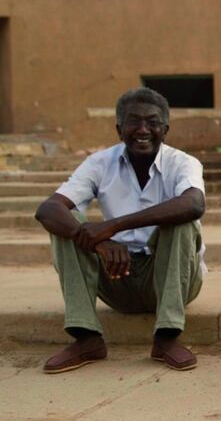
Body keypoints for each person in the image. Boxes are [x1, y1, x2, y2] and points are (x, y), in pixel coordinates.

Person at [35, 87, 206, 373]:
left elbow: (194, 204)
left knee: (181, 220)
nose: (143, 130)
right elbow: (48, 209)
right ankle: (86, 338)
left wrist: (112, 226)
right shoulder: (99, 163)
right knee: (68, 220)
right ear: (119, 129)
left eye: (152, 122)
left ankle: (166, 337)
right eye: (133, 122)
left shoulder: (183, 163)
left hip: (173, 279)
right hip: (117, 274)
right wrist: (100, 242)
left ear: (165, 129)